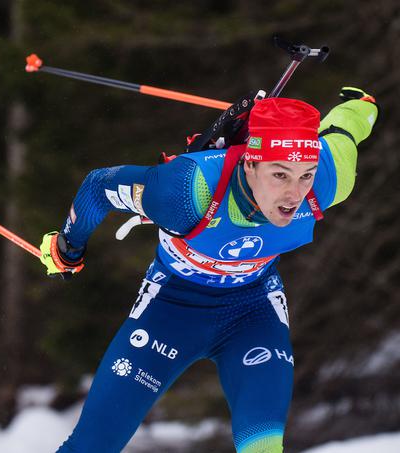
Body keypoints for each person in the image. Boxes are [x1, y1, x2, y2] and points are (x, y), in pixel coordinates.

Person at [39, 87, 378, 452]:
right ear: (250, 163)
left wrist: (360, 105)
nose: (295, 195)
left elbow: (345, 129)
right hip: (169, 309)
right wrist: (67, 248)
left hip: (252, 311)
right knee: (91, 447)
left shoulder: (329, 179)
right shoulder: (188, 192)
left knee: (262, 448)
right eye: (280, 175)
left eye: (305, 175)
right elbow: (98, 187)